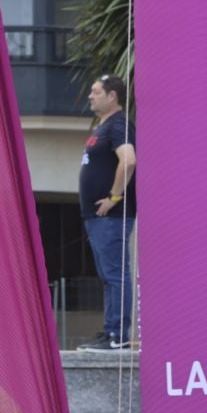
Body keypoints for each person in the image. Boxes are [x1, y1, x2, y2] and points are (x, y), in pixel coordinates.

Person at [79, 74, 137, 350]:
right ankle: (110, 330)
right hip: (97, 218)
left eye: (96, 91)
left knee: (116, 275)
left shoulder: (119, 125)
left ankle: (118, 335)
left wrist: (114, 197)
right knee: (108, 276)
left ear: (112, 96)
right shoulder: (104, 126)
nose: (90, 96)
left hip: (111, 216)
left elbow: (128, 161)